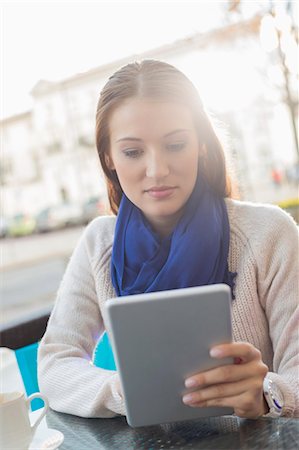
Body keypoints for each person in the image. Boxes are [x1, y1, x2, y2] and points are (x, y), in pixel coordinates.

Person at [38, 60, 299, 419]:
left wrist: (267, 394)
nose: (157, 169)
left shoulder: (269, 233)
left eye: (175, 144)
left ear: (202, 146)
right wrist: (125, 391)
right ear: (108, 158)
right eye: (132, 151)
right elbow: (54, 365)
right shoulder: (99, 243)